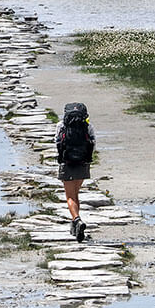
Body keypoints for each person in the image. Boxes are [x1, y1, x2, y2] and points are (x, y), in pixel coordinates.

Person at [55, 102, 95, 243]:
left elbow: (57, 142)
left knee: (70, 196)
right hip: (83, 163)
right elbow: (93, 142)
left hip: (67, 163)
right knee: (76, 194)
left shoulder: (61, 125)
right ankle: (75, 225)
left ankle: (77, 221)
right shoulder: (87, 126)